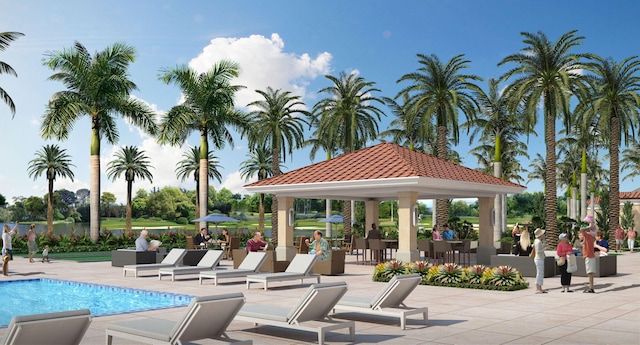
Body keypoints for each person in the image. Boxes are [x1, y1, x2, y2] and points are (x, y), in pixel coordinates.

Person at [581, 214, 597, 293]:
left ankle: (591, 288)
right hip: (589, 254)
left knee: (590, 272)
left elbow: (582, 230)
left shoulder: (588, 235)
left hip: (588, 255)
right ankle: (591, 287)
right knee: (590, 272)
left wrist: (590, 225)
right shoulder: (590, 236)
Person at [533, 228, 547, 294]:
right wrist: (544, 248)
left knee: (540, 273)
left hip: (539, 258)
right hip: (539, 259)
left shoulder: (537, 241)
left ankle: (540, 287)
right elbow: (538, 251)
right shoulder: (538, 242)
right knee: (539, 273)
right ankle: (537, 288)